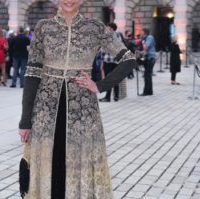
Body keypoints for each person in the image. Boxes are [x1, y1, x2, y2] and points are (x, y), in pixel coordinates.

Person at [18, 0, 136, 198]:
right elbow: (32, 73)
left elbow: (128, 59)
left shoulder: (95, 27)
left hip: (82, 110)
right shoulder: (43, 27)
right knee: (51, 161)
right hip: (46, 111)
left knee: (79, 161)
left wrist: (100, 85)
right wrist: (25, 119)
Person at [140, 28, 156, 96]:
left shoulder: (149, 37)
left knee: (147, 75)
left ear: (145, 33)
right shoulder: (146, 38)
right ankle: (149, 91)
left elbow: (146, 47)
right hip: (147, 58)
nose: (141, 34)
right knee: (147, 75)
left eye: (142, 33)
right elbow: (145, 51)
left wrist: (143, 42)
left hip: (150, 58)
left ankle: (146, 92)